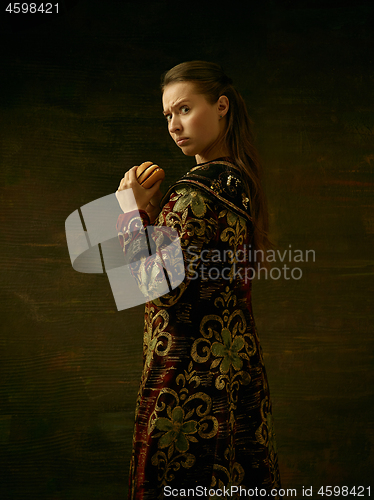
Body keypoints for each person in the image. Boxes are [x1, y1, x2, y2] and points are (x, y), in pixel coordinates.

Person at [116, 61, 282, 500]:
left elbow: (154, 287)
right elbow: (203, 279)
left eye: (185, 109)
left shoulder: (196, 191)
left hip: (189, 385)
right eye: (168, 115)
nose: (174, 125)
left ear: (221, 106)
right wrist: (152, 220)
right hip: (236, 373)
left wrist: (127, 212)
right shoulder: (238, 182)